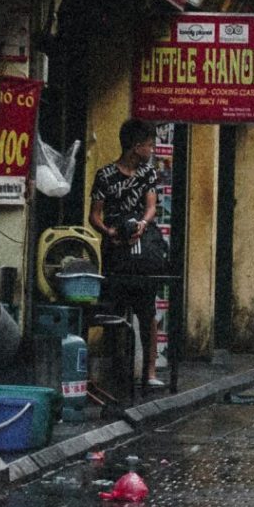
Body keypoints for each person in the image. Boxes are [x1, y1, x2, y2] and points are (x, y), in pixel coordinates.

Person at [90, 118, 165, 391]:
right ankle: (116, 368)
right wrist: (110, 232)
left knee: (147, 310)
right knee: (113, 310)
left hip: (142, 250)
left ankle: (150, 370)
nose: (152, 149)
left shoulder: (147, 173)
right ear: (135, 147)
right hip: (116, 251)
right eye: (148, 144)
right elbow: (94, 215)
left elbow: (151, 206)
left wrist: (143, 224)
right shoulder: (105, 175)